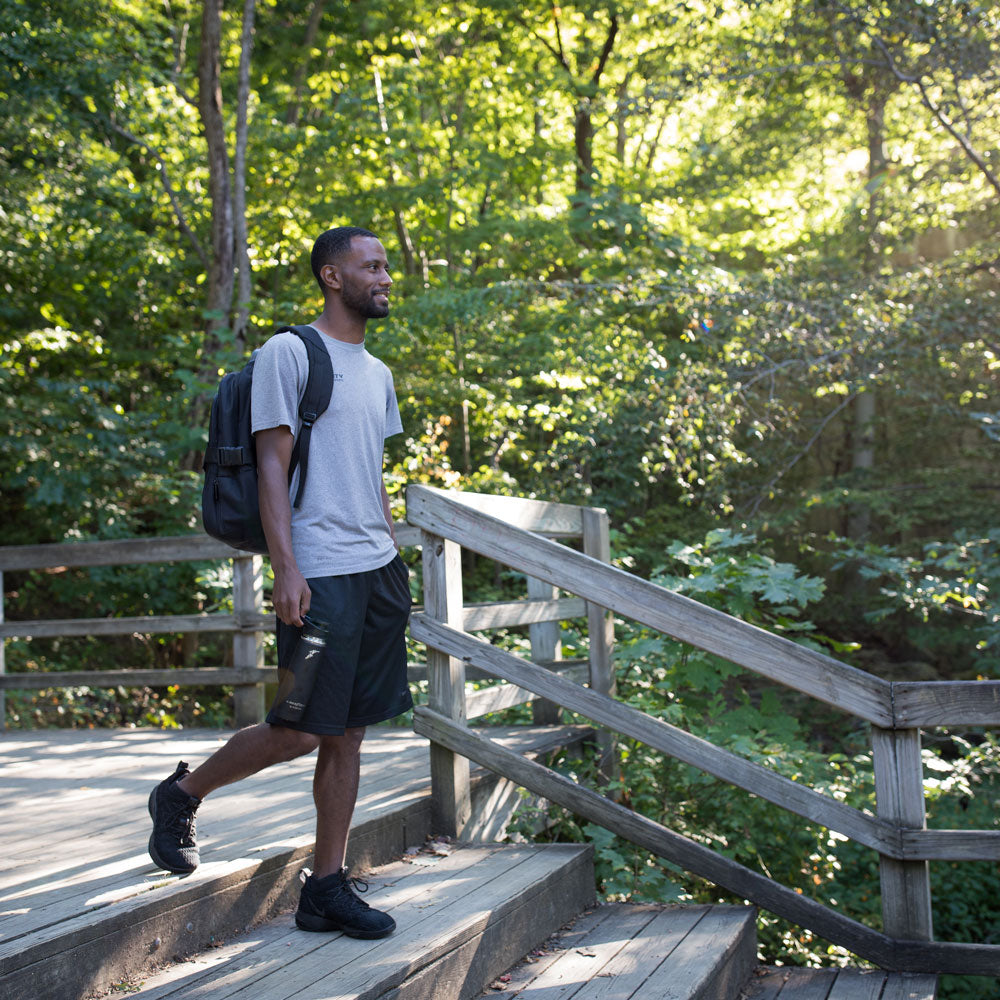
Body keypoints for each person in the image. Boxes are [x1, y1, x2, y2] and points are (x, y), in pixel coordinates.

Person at [147, 226, 413, 940]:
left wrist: (391, 555)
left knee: (349, 733)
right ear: (333, 276)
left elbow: (371, 475)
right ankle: (181, 794)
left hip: (375, 576)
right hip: (319, 573)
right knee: (298, 729)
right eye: (374, 265)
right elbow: (272, 465)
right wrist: (286, 568)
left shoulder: (377, 373)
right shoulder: (289, 353)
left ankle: (326, 887)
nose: (387, 276)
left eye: (387, 265)